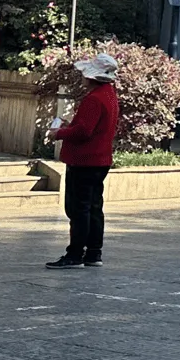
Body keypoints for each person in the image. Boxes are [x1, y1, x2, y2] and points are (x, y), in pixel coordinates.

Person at [46, 53, 120, 269]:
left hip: (84, 160)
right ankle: (94, 252)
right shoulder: (109, 95)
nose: (81, 77)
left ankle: (75, 253)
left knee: (78, 208)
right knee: (94, 207)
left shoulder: (93, 99)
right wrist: (72, 126)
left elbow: (84, 132)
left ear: (92, 77)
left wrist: (58, 133)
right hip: (100, 159)